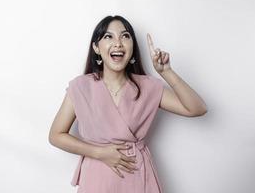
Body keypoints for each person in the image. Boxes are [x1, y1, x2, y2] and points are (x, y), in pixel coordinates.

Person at [48, 15, 207, 193]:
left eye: (125, 36)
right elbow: (56, 135)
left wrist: (167, 72)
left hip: (136, 175)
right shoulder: (80, 87)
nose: (118, 43)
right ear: (96, 48)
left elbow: (197, 108)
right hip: (97, 177)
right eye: (108, 37)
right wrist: (99, 153)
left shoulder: (147, 87)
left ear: (132, 47)